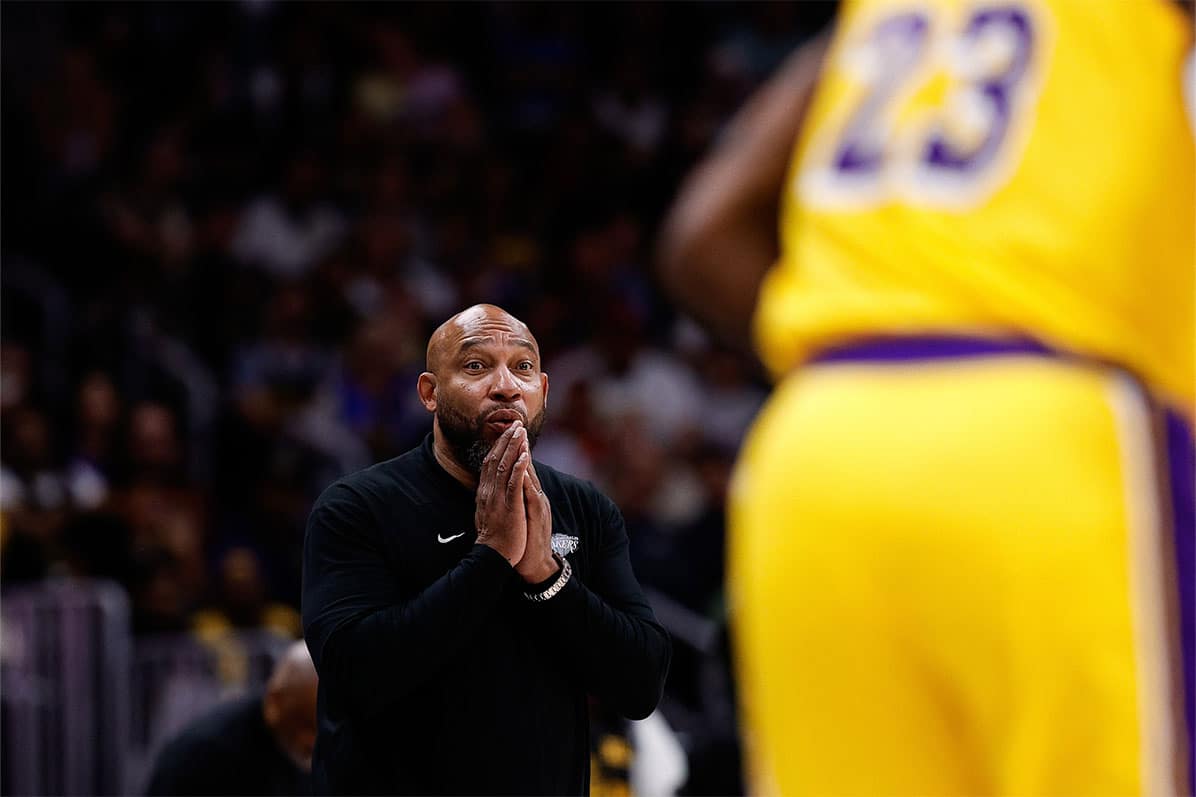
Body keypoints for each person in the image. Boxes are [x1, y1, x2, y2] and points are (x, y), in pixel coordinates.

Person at [658, 1, 1194, 794]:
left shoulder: (888, 13)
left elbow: (702, 233)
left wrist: (888, 337)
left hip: (817, 444)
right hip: (1046, 423)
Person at [301, 303, 671, 795]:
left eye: (523, 367)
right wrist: (491, 557)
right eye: (476, 367)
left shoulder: (587, 508)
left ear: (543, 391)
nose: (505, 386)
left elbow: (641, 685)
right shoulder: (358, 507)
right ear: (430, 393)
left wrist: (546, 575)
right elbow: (355, 676)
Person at [145, 640, 318, 796]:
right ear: (275, 702)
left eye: (320, 729)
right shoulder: (205, 754)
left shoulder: (302, 750)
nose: (311, 741)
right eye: (304, 724)